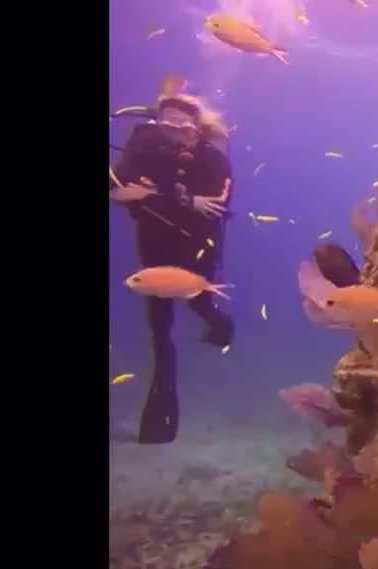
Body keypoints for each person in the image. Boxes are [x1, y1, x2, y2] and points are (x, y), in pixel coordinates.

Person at [110, 84, 235, 444]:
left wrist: (152, 195)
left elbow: (217, 208)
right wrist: (181, 200)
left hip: (198, 244)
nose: (177, 137)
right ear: (156, 123)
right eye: (168, 127)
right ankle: (161, 407)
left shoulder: (214, 159)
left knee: (199, 300)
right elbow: (116, 190)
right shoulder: (143, 147)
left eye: (186, 130)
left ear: (199, 129)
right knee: (158, 323)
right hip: (154, 242)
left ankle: (221, 325)